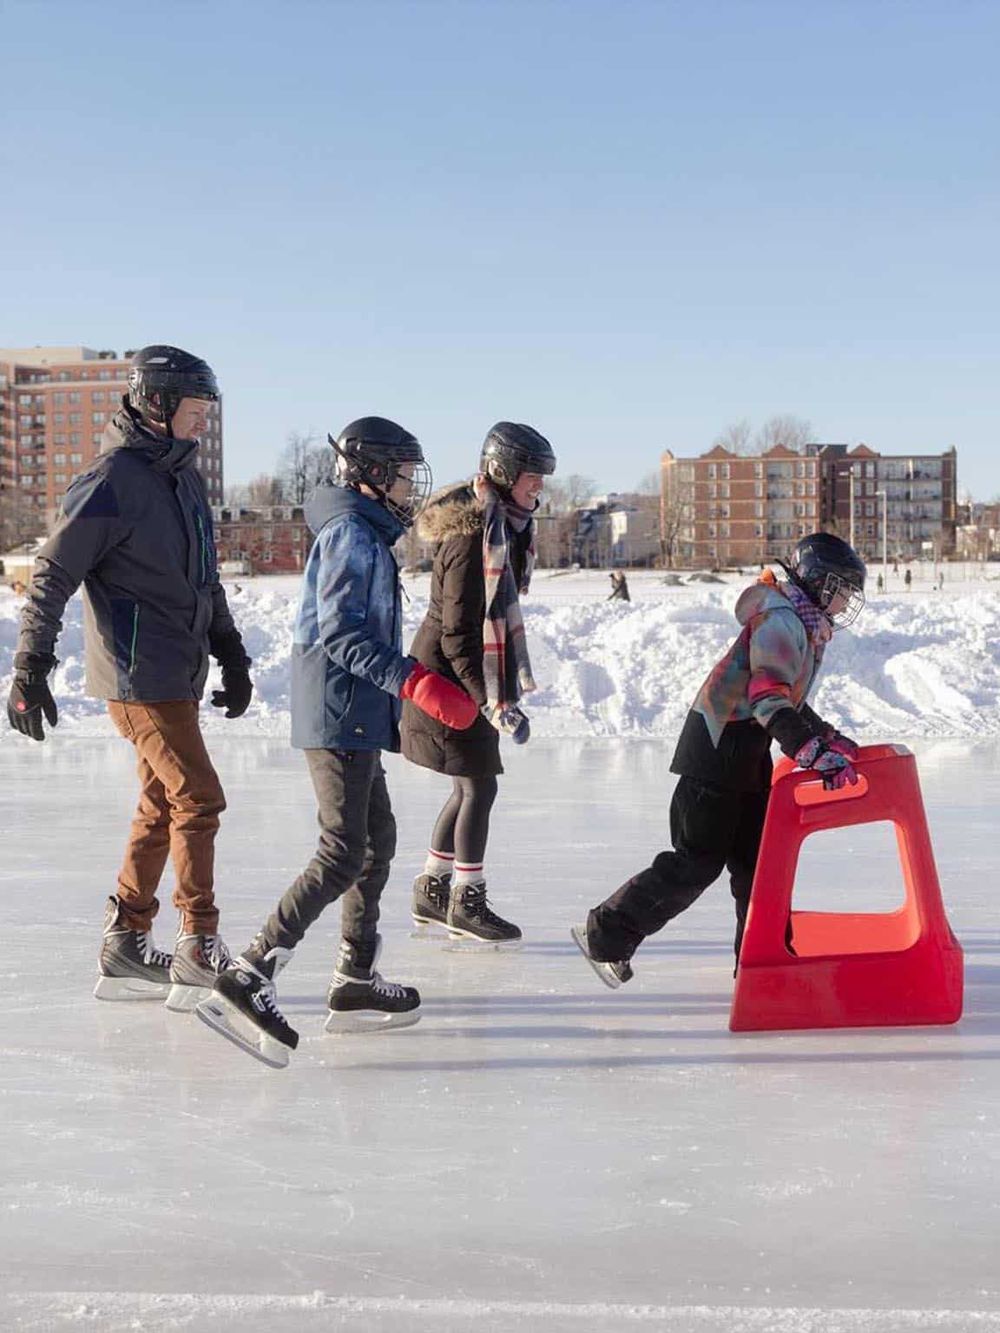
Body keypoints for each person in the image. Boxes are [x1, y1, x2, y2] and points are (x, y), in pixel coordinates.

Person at [196, 417, 478, 1068]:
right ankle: (251, 969)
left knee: (375, 842)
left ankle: (353, 978)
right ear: (374, 473)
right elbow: (341, 636)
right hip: (337, 711)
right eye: (405, 473)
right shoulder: (352, 534)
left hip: (352, 712)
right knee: (343, 850)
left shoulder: (365, 534)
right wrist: (417, 683)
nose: (412, 486)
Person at [7, 345, 250, 1010]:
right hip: (138, 676)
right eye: (196, 411)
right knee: (199, 799)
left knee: (161, 803)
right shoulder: (110, 479)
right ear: (158, 405)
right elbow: (53, 572)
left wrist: (230, 650)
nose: (204, 423)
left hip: (179, 671)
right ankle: (199, 943)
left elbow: (203, 576)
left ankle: (127, 942)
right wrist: (30, 662)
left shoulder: (183, 478)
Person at [572, 532, 866, 988]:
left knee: (758, 867)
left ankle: (762, 964)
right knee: (696, 862)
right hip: (715, 752)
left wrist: (826, 736)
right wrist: (809, 751)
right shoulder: (781, 621)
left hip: (745, 754)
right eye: (841, 588)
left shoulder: (800, 624)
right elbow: (768, 697)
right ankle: (604, 936)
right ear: (815, 581)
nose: (846, 601)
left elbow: (785, 697)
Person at [401, 422, 556, 946]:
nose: (539, 488)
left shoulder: (502, 527)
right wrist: (489, 700)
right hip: (450, 681)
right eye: (533, 478)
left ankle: (432, 888)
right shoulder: (472, 537)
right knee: (478, 786)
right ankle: (465, 902)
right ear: (503, 472)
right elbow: (458, 635)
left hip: (460, 678)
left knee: (469, 785)